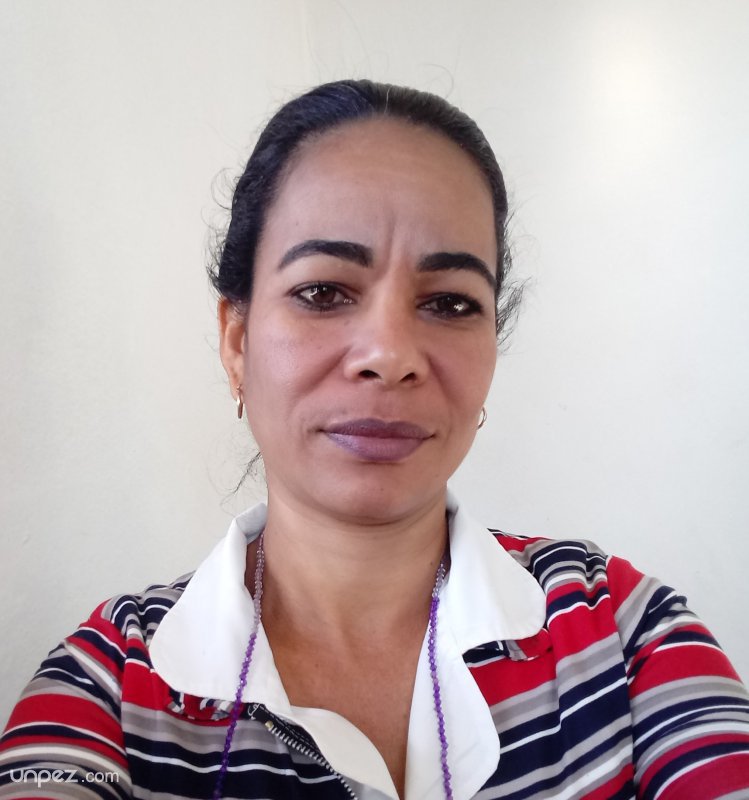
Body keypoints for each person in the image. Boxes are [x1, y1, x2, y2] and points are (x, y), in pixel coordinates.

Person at [1, 79, 748, 800]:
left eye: (450, 303)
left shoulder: (618, 627)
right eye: (322, 292)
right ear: (236, 340)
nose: (389, 356)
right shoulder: (111, 685)